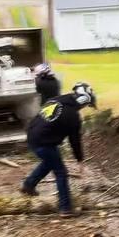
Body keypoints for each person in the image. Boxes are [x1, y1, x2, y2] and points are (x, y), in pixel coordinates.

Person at [21, 82, 97, 217]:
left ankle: (28, 185)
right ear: (83, 99)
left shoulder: (56, 100)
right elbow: (75, 141)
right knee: (61, 172)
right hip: (44, 142)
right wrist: (80, 160)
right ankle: (65, 208)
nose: (84, 107)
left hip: (32, 137)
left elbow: (40, 119)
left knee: (49, 162)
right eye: (86, 104)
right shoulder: (72, 116)